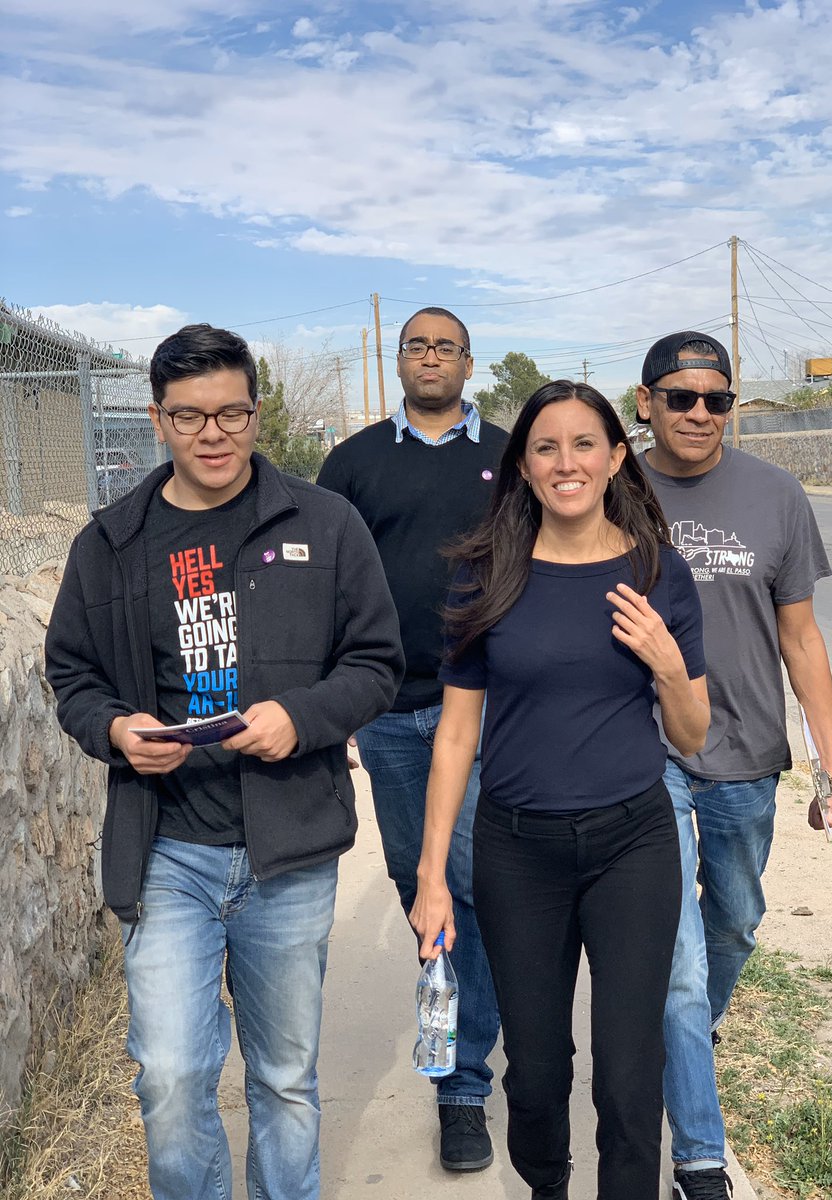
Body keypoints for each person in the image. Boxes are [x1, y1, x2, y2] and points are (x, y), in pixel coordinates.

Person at [45, 324, 404, 1200]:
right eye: (191, 416)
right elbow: (72, 674)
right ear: (160, 420)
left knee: (284, 1079)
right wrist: (115, 730)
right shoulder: (113, 543)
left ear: (255, 411)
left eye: (233, 413)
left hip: (289, 850)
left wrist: (301, 717)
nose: (214, 434)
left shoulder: (324, 524)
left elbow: (377, 662)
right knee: (169, 1075)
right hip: (167, 848)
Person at [410, 380, 711, 1200]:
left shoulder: (659, 572)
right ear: (525, 465)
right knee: (536, 1078)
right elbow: (457, 736)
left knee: (627, 1073)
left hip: (633, 845)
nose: (566, 461)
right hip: (517, 850)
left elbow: (691, 734)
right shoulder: (485, 573)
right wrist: (433, 878)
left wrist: (666, 661)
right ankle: (546, 1186)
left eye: (585, 444)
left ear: (617, 457)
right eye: (546, 446)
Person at [635, 330, 832, 1200]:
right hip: (643, 751)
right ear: (644, 401)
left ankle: (684, 1038)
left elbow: (800, 635)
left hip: (749, 752)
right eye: (679, 396)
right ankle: (698, 1159)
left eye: (715, 399)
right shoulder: (610, 488)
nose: (698, 412)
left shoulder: (777, 494)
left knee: (734, 922)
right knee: (677, 963)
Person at [316, 307, 507, 1170]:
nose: (431, 357)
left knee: (466, 882)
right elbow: (324, 586)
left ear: (470, 363)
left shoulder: (511, 456)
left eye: (446, 346)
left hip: (489, 707)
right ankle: (459, 1018)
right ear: (398, 361)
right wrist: (339, 704)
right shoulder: (352, 464)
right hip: (391, 714)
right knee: (415, 878)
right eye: (417, 346)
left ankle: (462, 1081)